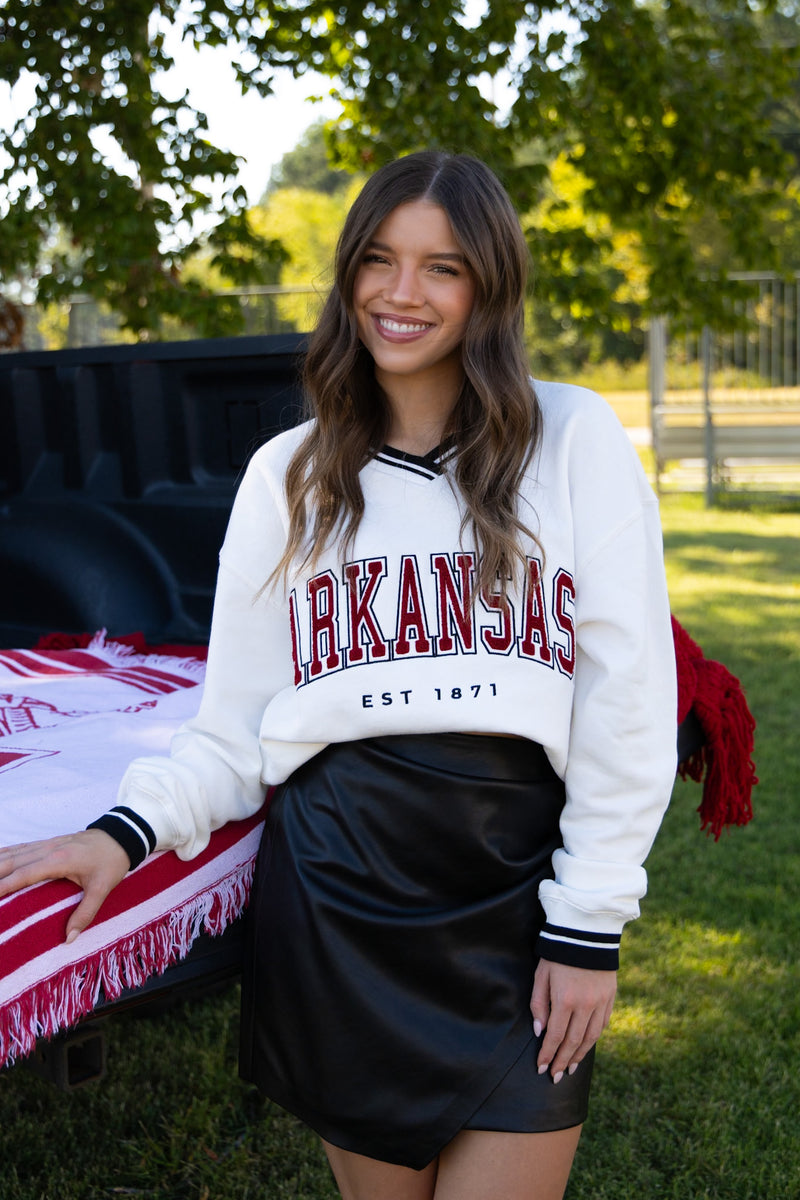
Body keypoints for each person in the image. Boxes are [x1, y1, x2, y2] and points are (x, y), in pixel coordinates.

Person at [0, 151, 677, 1200]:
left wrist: (585, 924)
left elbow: (626, 700)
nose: (400, 294)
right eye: (376, 259)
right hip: (339, 896)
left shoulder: (573, 437)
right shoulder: (289, 473)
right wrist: (120, 834)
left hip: (510, 889)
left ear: (488, 287)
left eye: (441, 268)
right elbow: (234, 727)